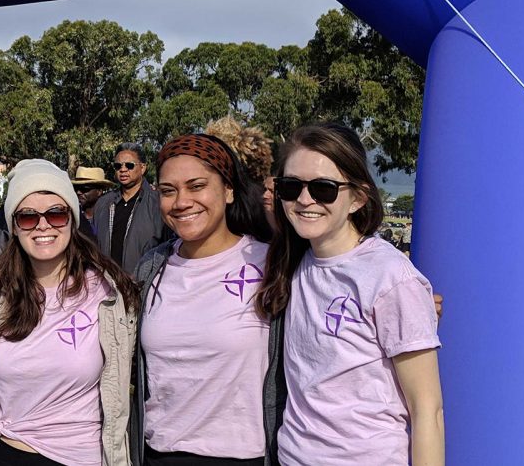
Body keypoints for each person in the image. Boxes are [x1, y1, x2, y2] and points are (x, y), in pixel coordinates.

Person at [256, 124, 444, 466]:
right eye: (290, 186)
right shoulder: (293, 261)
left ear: (358, 198)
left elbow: (427, 409)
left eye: (324, 189)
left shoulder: (390, 276)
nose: (304, 199)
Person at [0, 159, 139, 466]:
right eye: (28, 217)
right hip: (8, 453)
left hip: (85, 457)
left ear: (72, 219)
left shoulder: (110, 294)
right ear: (14, 227)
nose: (44, 225)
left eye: (56, 213)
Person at [133, 134, 280, 466]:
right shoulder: (151, 268)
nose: (181, 201)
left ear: (228, 190)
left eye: (196, 186)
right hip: (161, 455)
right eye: (169, 191)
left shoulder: (270, 265)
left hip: (244, 456)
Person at [93, 143, 168, 273]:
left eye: (129, 165)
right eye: (118, 166)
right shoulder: (103, 204)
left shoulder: (158, 203)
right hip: (107, 283)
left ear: (143, 168)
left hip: (143, 284)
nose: (123, 170)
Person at [70, 165, 113, 237]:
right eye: (76, 188)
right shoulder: (72, 217)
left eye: (84, 189)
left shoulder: (110, 217)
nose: (79, 192)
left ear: (99, 191)